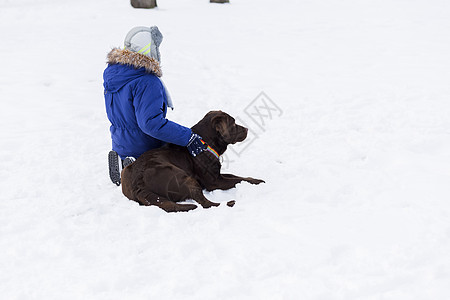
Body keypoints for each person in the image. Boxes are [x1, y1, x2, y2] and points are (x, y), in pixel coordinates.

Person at [103, 26, 206, 186]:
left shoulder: (116, 75)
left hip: (119, 141)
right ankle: (136, 166)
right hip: (145, 145)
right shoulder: (147, 81)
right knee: (185, 167)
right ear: (150, 49)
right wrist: (188, 137)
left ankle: (124, 159)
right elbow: (151, 124)